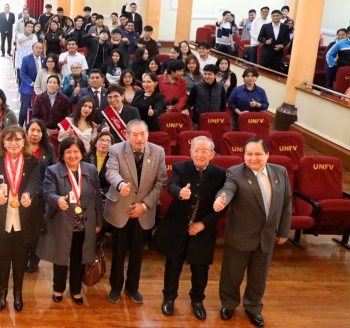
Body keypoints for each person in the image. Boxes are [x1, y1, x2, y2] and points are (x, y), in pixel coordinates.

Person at [212, 137, 291, 326]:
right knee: (232, 274)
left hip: (267, 236)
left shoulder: (280, 172)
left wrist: (284, 230)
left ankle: (253, 307)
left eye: (258, 154)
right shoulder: (235, 173)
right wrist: (220, 200)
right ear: (243, 155)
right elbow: (227, 190)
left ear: (267, 155)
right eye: (249, 154)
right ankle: (228, 305)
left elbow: (286, 202)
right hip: (240, 235)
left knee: (259, 276)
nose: (253, 158)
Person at [151, 136, 226, 320]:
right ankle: (169, 298)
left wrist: (203, 224)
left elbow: (222, 206)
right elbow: (172, 186)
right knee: (173, 265)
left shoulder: (220, 174)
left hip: (204, 229)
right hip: (178, 226)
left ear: (212, 154)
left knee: (200, 268)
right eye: (196, 151)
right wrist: (180, 193)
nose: (199, 154)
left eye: (204, 151)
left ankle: (198, 301)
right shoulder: (180, 167)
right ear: (191, 152)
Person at [0, 125, 42, 312]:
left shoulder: (32, 161)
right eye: (9, 140)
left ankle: (17, 294)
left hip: (24, 215)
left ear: (24, 142)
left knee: (21, 258)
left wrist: (29, 194)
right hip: (2, 216)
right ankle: (2, 293)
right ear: (3, 142)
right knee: (4, 257)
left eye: (18, 139)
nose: (14, 143)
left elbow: (35, 181)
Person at [104, 119, 167, 304]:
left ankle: (133, 287)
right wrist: (120, 184)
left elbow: (161, 183)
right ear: (127, 135)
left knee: (138, 252)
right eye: (135, 135)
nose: (140, 138)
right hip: (120, 209)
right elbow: (111, 172)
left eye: (143, 134)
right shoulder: (116, 150)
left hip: (143, 211)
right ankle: (115, 287)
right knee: (118, 252)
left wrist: (145, 205)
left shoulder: (158, 152)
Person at [37, 136, 104, 305]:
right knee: (60, 258)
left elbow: (97, 198)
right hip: (62, 222)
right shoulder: (53, 171)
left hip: (85, 223)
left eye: (76, 151)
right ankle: (58, 289)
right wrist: (57, 200)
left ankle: (76, 290)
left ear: (82, 153)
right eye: (68, 152)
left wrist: (99, 222)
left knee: (78, 258)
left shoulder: (91, 170)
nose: (72, 155)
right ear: (62, 154)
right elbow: (47, 194)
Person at [19, 42, 46, 126]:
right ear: (32, 48)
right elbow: (22, 74)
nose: (38, 50)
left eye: (40, 48)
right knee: (24, 107)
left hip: (41, 89)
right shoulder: (26, 59)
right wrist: (31, 83)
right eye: (36, 48)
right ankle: (20, 124)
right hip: (28, 88)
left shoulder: (44, 59)